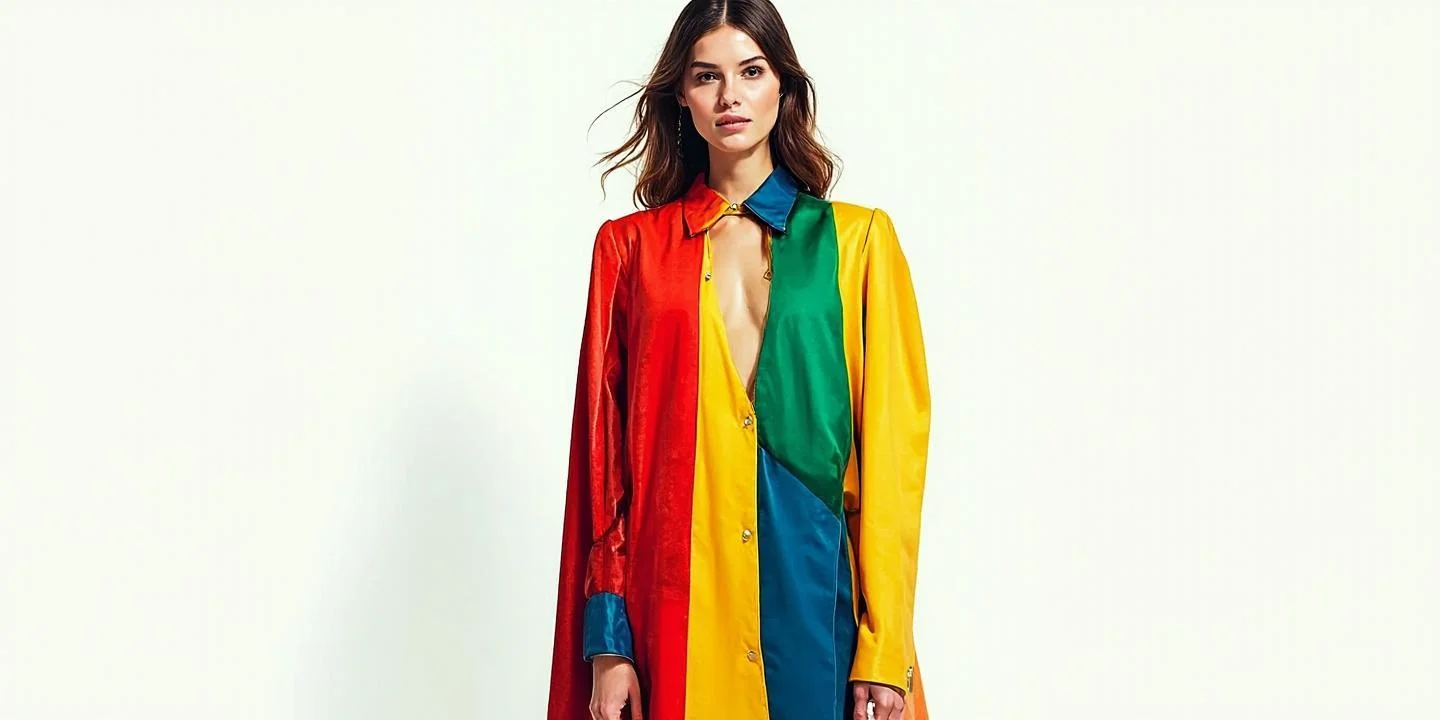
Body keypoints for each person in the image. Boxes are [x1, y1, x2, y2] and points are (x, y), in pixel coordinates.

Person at [547, 2, 931, 719]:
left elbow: (893, 462)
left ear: (783, 85)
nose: (730, 96)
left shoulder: (858, 244)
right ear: (681, 95)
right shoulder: (629, 252)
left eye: (751, 72)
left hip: (818, 603)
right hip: (676, 609)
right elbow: (605, 465)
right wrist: (609, 643)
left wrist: (884, 649)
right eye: (707, 76)